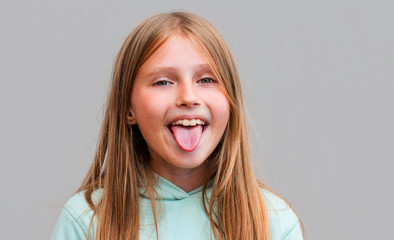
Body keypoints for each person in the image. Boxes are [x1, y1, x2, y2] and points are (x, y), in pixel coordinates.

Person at [51, 12, 303, 240]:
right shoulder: (86, 220)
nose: (188, 97)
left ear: (231, 101)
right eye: (163, 82)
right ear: (129, 109)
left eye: (206, 79)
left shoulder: (273, 221)